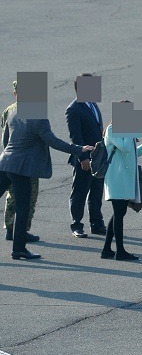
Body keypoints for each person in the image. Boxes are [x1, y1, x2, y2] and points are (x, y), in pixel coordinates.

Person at [0, 98, 93, 260]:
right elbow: (53, 141)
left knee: (20, 205)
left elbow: (6, 139)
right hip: (21, 168)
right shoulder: (38, 117)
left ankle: (19, 246)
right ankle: (19, 249)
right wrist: (79, 149)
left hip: (5, 162)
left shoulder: (14, 111)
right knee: (23, 208)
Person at [101, 100, 142, 262]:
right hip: (116, 178)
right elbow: (124, 148)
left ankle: (107, 249)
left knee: (119, 213)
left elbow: (130, 152)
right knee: (119, 213)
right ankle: (120, 251)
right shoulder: (112, 129)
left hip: (123, 178)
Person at [66, 74, 106, 238]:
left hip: (98, 157)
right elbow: (76, 136)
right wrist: (83, 158)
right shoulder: (73, 109)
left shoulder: (93, 105)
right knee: (80, 191)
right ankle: (76, 224)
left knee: (96, 192)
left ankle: (96, 223)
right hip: (85, 158)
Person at [2, 80, 40, 245]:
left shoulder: (12, 110)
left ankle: (17, 230)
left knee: (22, 196)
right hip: (22, 162)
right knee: (21, 197)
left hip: (16, 161)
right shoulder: (15, 110)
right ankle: (16, 230)